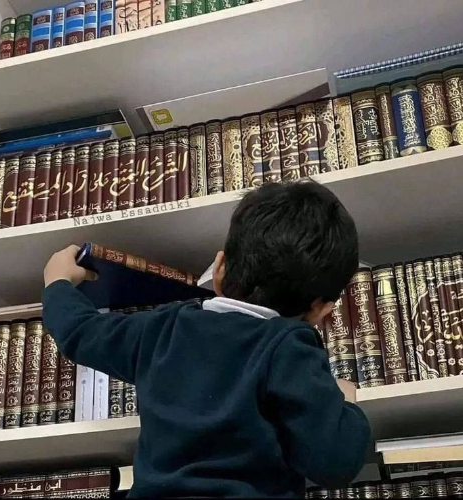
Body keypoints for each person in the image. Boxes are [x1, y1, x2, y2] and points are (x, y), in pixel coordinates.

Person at [42, 180, 370, 498]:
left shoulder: (161, 328)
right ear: (320, 310)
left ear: (219, 268)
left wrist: (57, 283)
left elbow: (80, 332)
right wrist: (344, 404)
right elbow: (334, 462)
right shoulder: (288, 347)